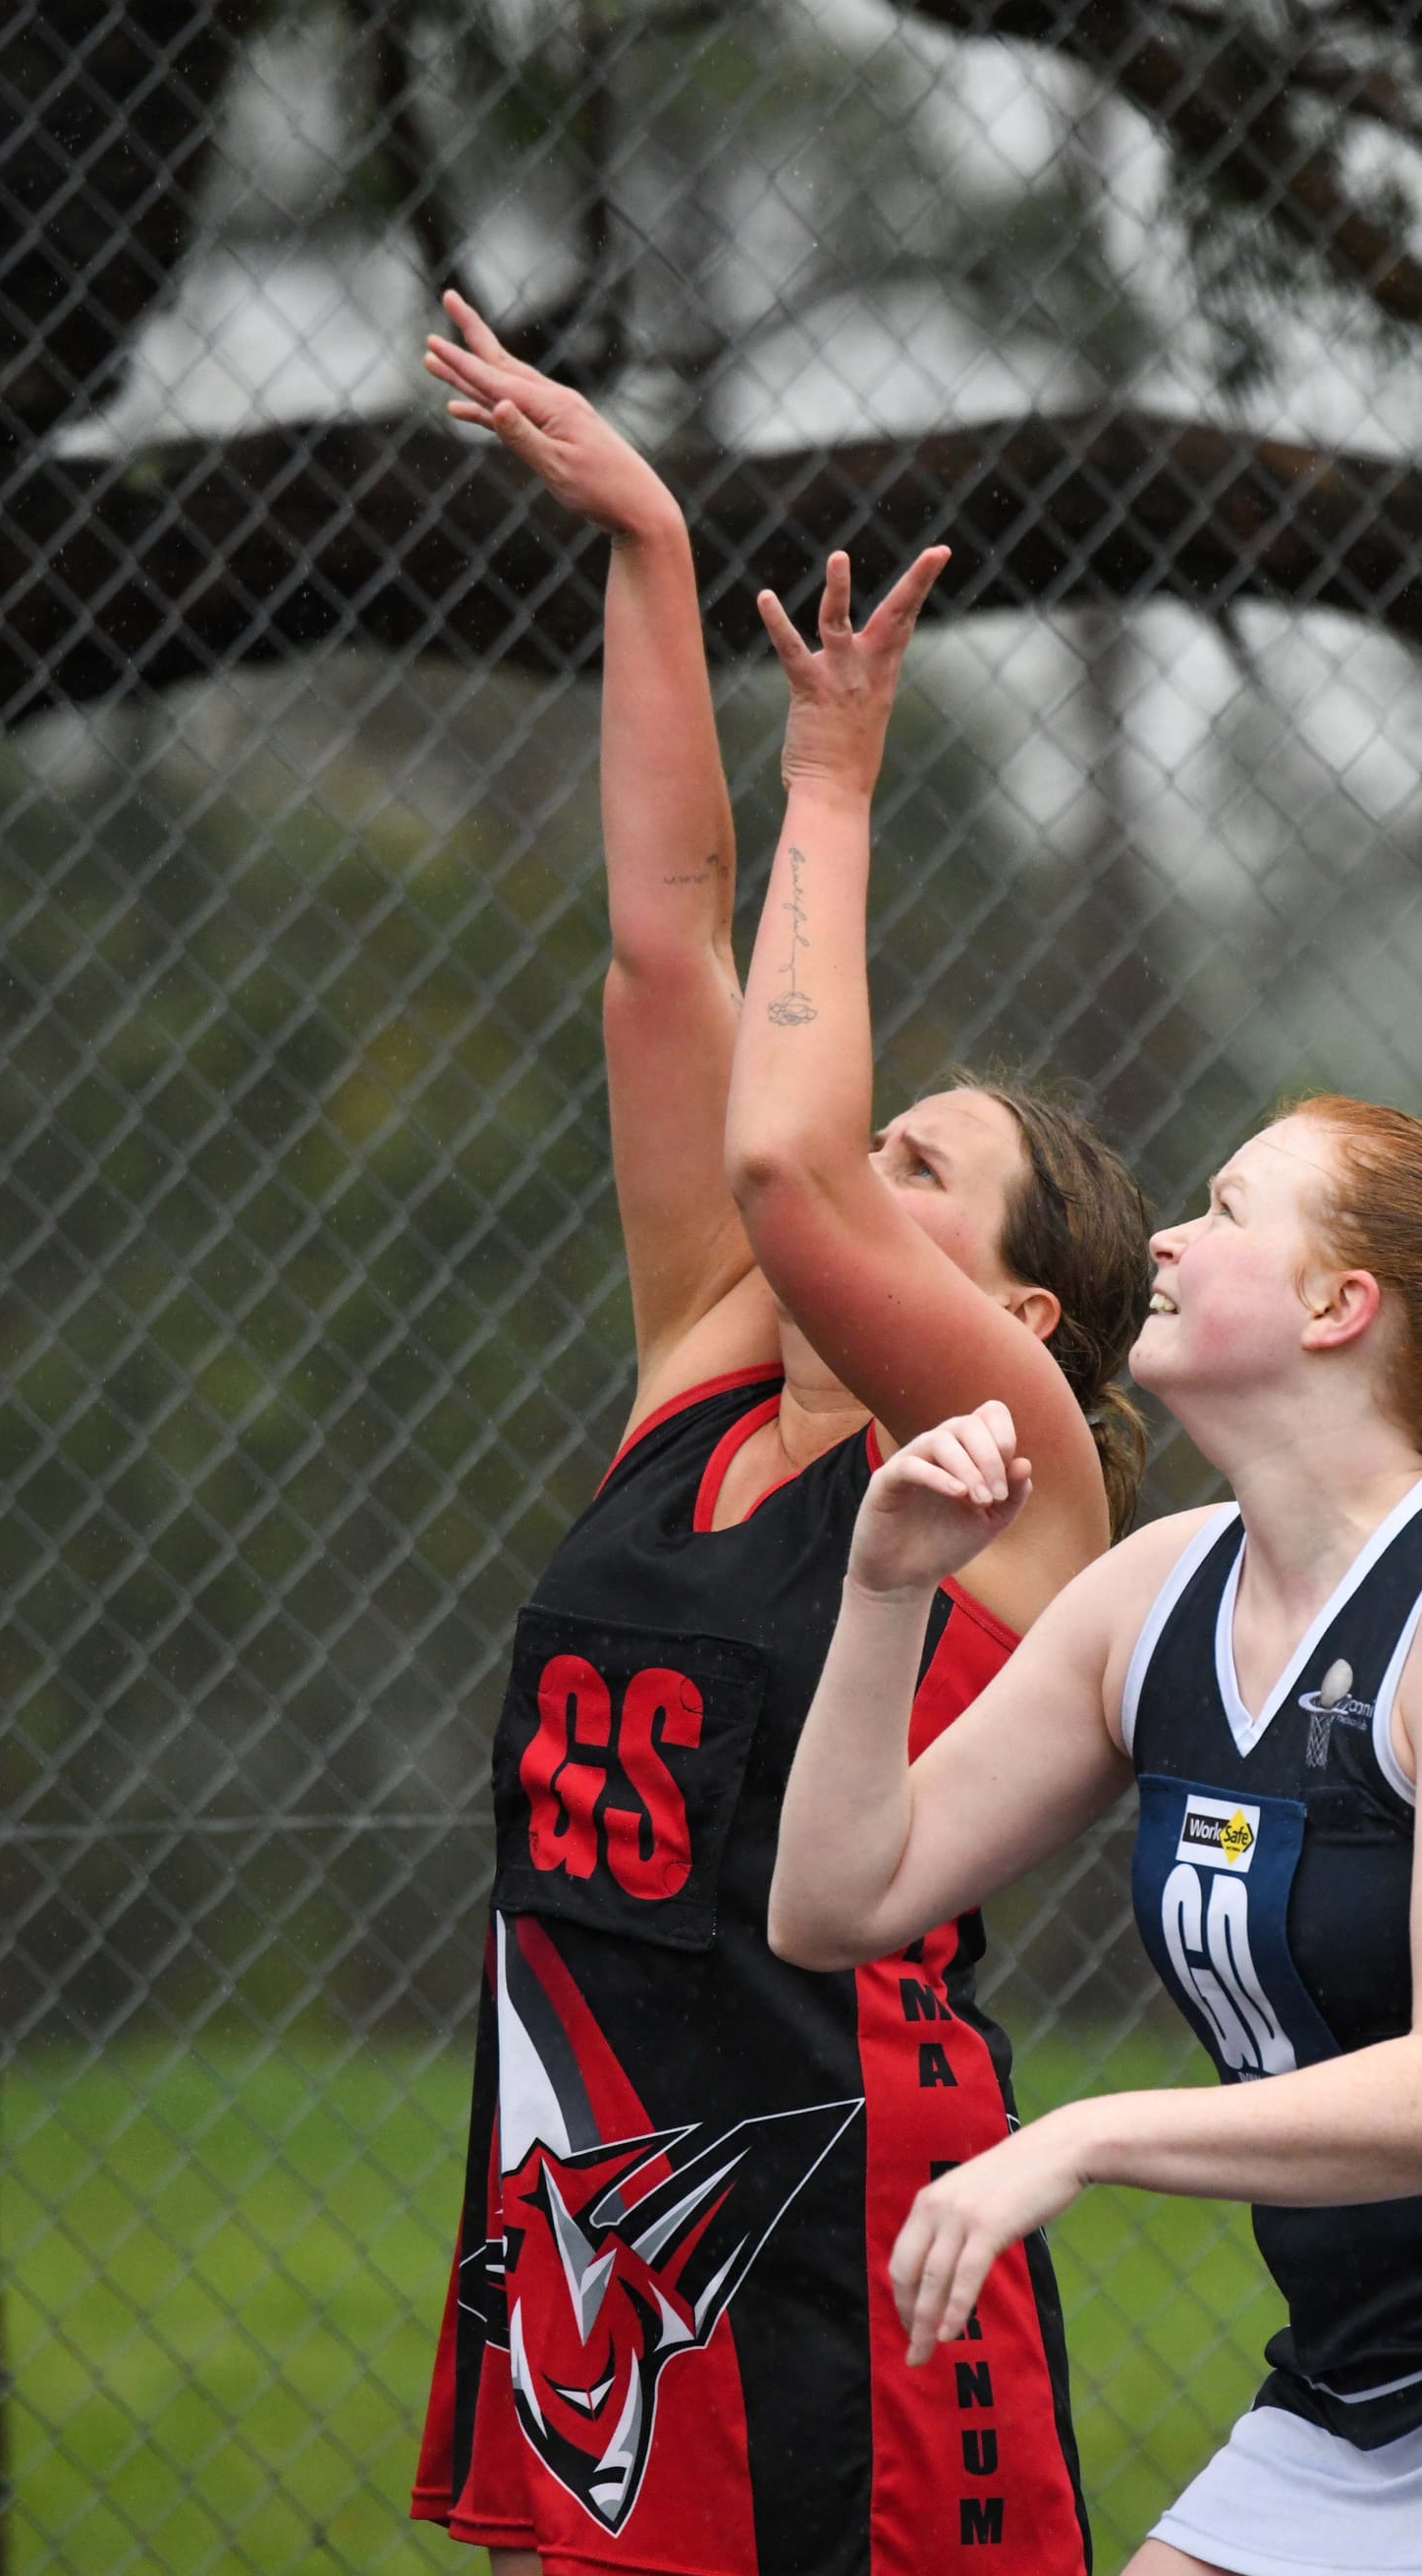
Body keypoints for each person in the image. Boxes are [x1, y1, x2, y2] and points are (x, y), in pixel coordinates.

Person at [409, 295, 1152, 2576]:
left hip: (847, 2207)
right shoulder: (707, 1375)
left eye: (922, 1168)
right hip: (593, 2161)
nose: (856, 1167)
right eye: (882, 1138)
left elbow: (782, 1166)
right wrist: (646, 549)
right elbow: (663, 953)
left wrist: (837, 780)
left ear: (1019, 1308)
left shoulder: (1007, 1456)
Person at [772, 1097, 1422, 2576]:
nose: (1170, 1237)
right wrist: (884, 1592)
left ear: (1337, 1306)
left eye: (1227, 1210)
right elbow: (835, 1900)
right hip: (1351, 2400)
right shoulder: (1157, 1593)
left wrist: (1086, 2136)